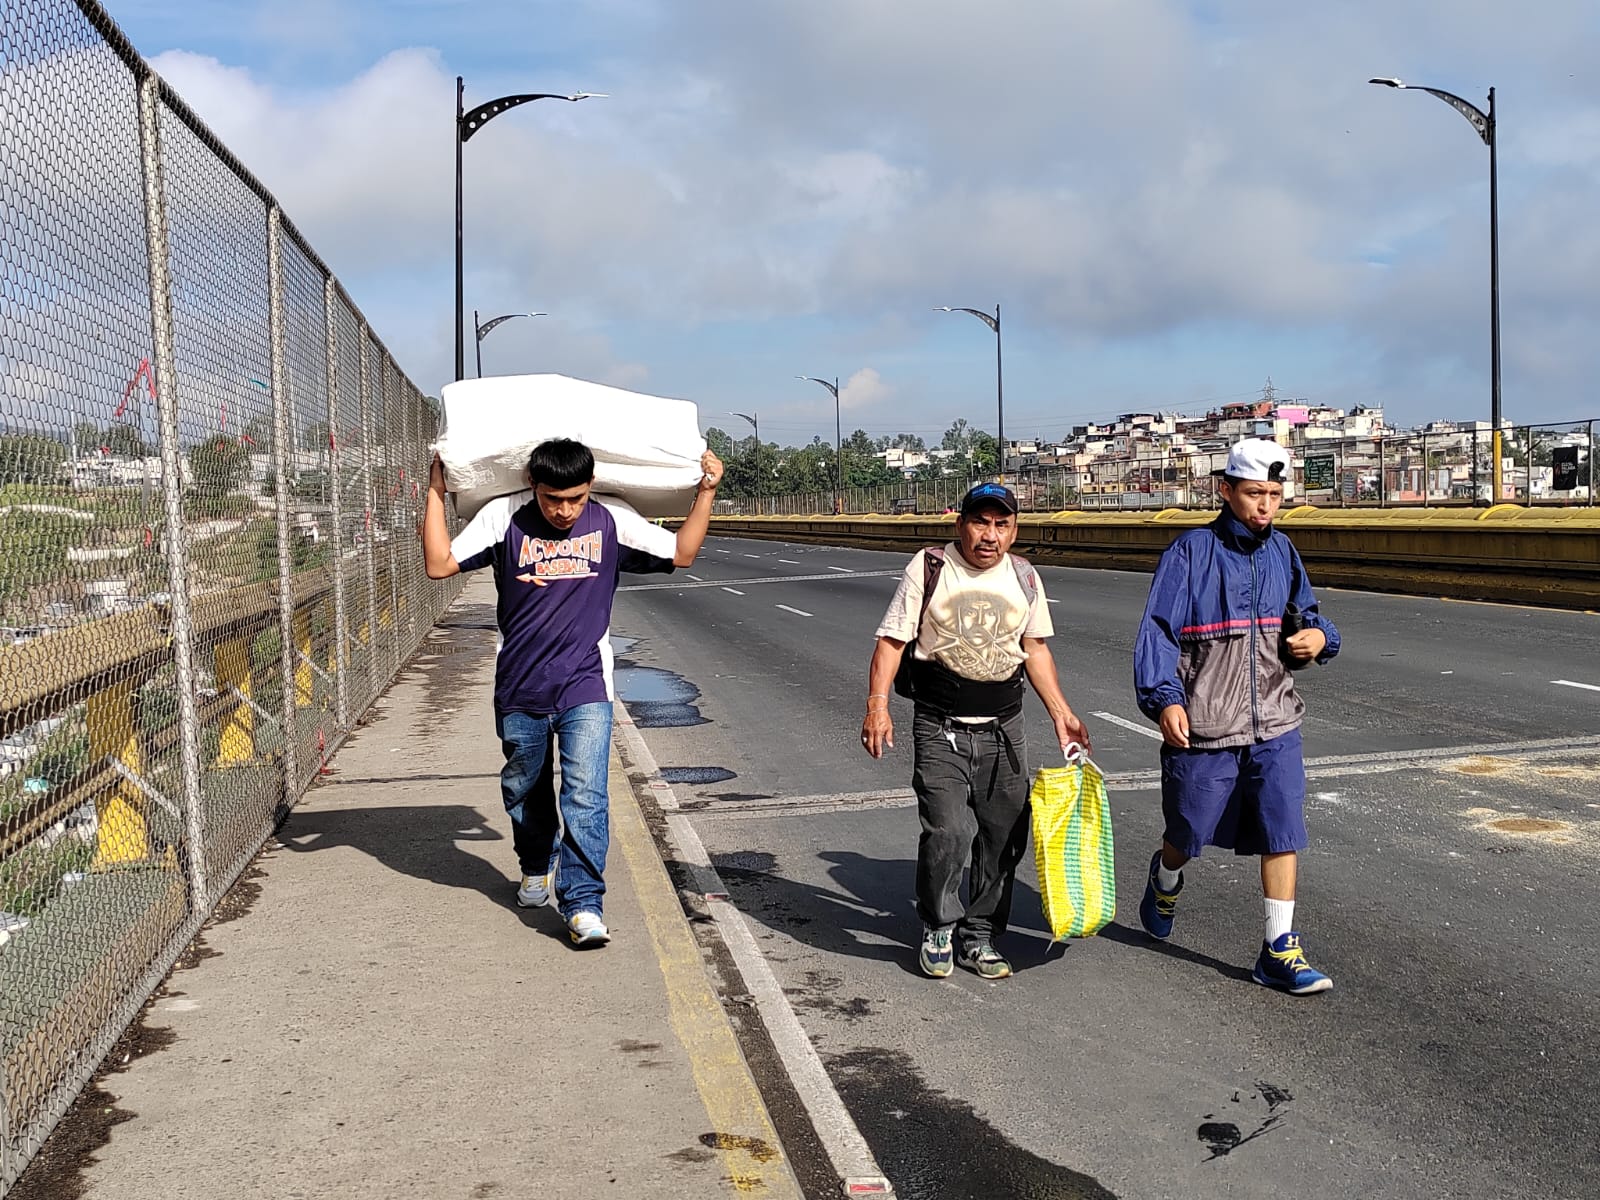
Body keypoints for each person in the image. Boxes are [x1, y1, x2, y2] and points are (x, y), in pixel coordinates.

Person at [422, 438, 723, 946]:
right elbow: (439, 564)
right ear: (533, 487)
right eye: (552, 499)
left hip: (587, 684)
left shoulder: (609, 519)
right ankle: (536, 864)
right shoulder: (505, 518)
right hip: (520, 686)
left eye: (575, 499)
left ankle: (584, 904)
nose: (564, 511)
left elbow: (683, 553)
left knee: (586, 795)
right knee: (525, 788)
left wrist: (707, 492)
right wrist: (434, 492)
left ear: (590, 489)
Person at [1132, 438, 1341, 994]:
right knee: (1189, 828)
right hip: (1206, 726)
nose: (1265, 505)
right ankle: (1166, 876)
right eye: (1254, 493)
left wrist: (1320, 637)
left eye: (1274, 494)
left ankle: (1278, 949)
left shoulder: (1283, 552)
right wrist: (1165, 698)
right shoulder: (1190, 553)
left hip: (1275, 719)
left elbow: (1311, 615)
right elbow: (1158, 632)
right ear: (1224, 490)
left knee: (1282, 828)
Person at [862, 482, 1091, 980]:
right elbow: (890, 642)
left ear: (1013, 530)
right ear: (960, 524)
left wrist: (1060, 713)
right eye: (980, 522)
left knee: (1003, 836)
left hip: (1004, 728)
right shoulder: (929, 568)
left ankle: (979, 935)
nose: (990, 535)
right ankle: (940, 924)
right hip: (939, 724)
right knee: (949, 829)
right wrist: (878, 706)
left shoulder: (1025, 576)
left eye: (1001, 525)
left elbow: (1036, 649)